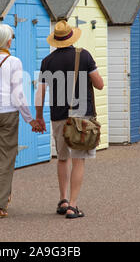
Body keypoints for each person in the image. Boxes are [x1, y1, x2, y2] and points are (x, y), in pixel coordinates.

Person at [35, 20, 104, 219]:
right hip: (81, 116)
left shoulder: (47, 61)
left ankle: (63, 200)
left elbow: (40, 93)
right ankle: (73, 206)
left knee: (62, 158)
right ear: (72, 37)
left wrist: (39, 117)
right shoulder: (84, 56)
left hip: (58, 117)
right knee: (79, 160)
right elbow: (99, 84)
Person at [0, 24, 42, 219]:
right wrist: (30, 119)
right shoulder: (14, 61)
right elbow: (18, 94)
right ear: (7, 41)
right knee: (6, 158)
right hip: (7, 114)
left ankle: (3, 195)